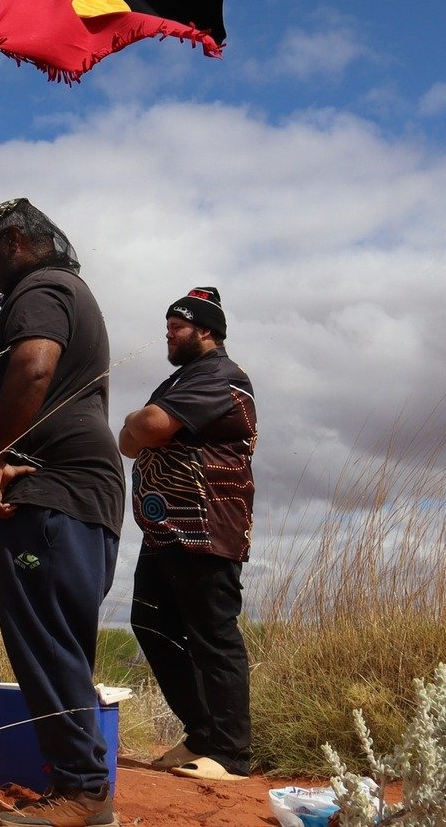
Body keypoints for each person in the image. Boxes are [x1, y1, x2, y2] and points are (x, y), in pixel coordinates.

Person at [0, 198, 121, 827]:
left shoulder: (41, 288)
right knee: (61, 644)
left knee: (46, 643)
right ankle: (87, 790)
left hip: (47, 497)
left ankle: (82, 791)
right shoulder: (70, 291)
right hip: (78, 500)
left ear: (16, 241)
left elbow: (34, 362)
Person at [120, 287, 257, 783]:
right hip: (166, 530)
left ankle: (230, 752)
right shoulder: (183, 379)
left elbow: (148, 426)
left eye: (176, 326)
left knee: (213, 635)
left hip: (207, 526)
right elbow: (128, 445)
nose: (167, 333)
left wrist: (142, 421)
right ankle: (202, 734)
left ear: (206, 331)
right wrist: (142, 426)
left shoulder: (222, 376)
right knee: (150, 624)